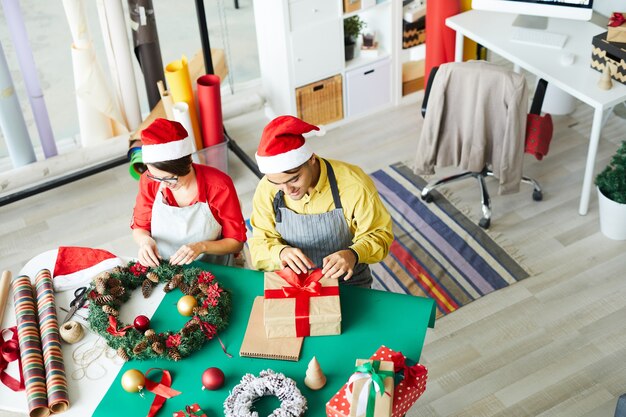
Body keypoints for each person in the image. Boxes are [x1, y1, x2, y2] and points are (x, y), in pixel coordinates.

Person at [249, 115, 393, 288]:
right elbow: (258, 245)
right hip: (294, 281)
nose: (287, 191)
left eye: (294, 179)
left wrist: (353, 254)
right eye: (277, 183)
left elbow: (380, 235)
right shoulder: (267, 188)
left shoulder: (354, 185)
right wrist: (280, 252)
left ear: (311, 159)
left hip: (348, 278)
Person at [131, 118, 246, 267]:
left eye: (170, 179)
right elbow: (140, 227)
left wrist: (201, 247)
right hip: (164, 266)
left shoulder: (219, 187)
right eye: (156, 177)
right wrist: (145, 241)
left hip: (213, 268)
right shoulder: (150, 180)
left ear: (188, 162)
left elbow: (236, 243)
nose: (163, 185)